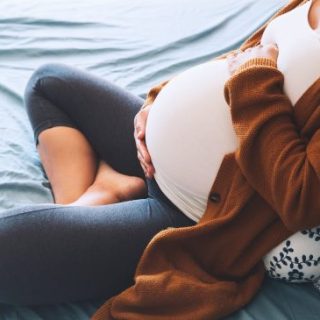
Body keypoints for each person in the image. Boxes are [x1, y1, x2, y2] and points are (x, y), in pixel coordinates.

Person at [0, 0, 319, 319]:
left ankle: (98, 199)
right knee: (49, 82)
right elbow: (244, 56)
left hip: (194, 212)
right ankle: (100, 194)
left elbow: (302, 196)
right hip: (152, 153)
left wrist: (254, 78)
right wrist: (157, 101)